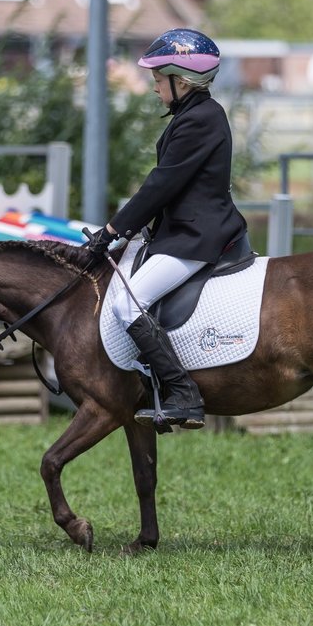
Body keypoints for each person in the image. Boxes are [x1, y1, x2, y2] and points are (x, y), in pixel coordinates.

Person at [85, 28, 249, 430]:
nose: (155, 87)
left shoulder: (202, 119)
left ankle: (183, 393)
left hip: (196, 237)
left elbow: (161, 184)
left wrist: (112, 229)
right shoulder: (192, 116)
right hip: (180, 232)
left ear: (182, 79)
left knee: (128, 303)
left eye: (159, 79)